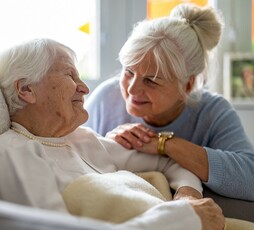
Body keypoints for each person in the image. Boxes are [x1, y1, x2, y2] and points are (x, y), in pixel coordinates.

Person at [0, 38, 225, 230]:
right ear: (26, 90)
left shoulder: (81, 139)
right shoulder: (11, 153)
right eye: (70, 75)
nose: (84, 88)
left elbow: (170, 163)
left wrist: (188, 196)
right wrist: (184, 218)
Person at [84, 3, 254, 201]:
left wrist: (164, 144)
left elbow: (250, 179)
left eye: (151, 80)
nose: (131, 89)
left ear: (187, 86)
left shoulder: (213, 112)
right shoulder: (106, 99)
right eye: (128, 72)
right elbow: (70, 158)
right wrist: (107, 145)